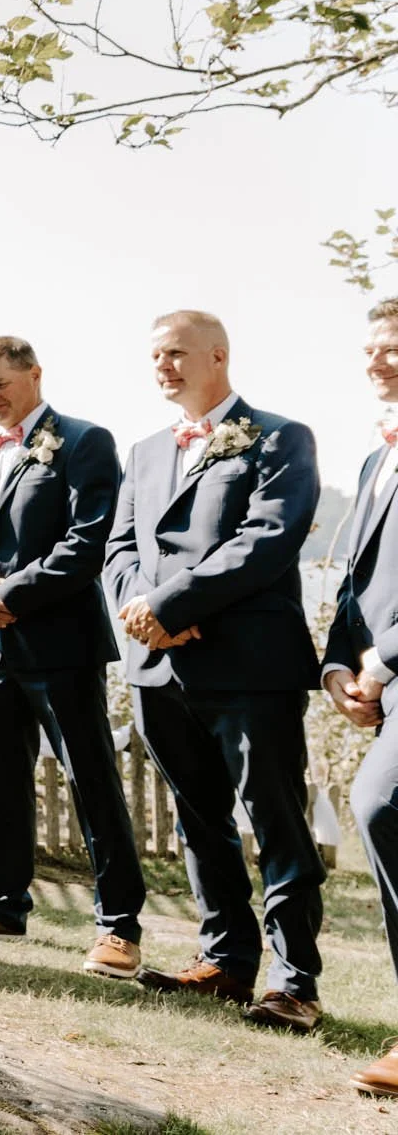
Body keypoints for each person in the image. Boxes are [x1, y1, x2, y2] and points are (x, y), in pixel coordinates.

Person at [105, 310, 325, 1031]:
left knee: (276, 818)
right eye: (155, 356)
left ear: (218, 356)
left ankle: (295, 982)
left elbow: (268, 538)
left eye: (176, 354)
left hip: (248, 663)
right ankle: (226, 961)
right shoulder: (143, 451)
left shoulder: (281, 437)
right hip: (157, 665)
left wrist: (175, 602)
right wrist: (143, 609)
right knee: (198, 820)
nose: (163, 366)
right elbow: (118, 550)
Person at [0, 336, 146, 979]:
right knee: (3, 782)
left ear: (33, 375)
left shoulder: (83, 441)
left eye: (1, 384)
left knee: (91, 781)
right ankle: (3, 904)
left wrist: (11, 593)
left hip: (61, 645)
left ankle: (118, 927)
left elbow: (90, 540)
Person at [321, 299, 398, 1093]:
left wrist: (384, 658)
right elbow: (357, 578)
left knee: (382, 803)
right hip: (383, 679)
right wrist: (339, 665)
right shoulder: (379, 459)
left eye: (396, 346)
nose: (379, 358)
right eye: (372, 345)